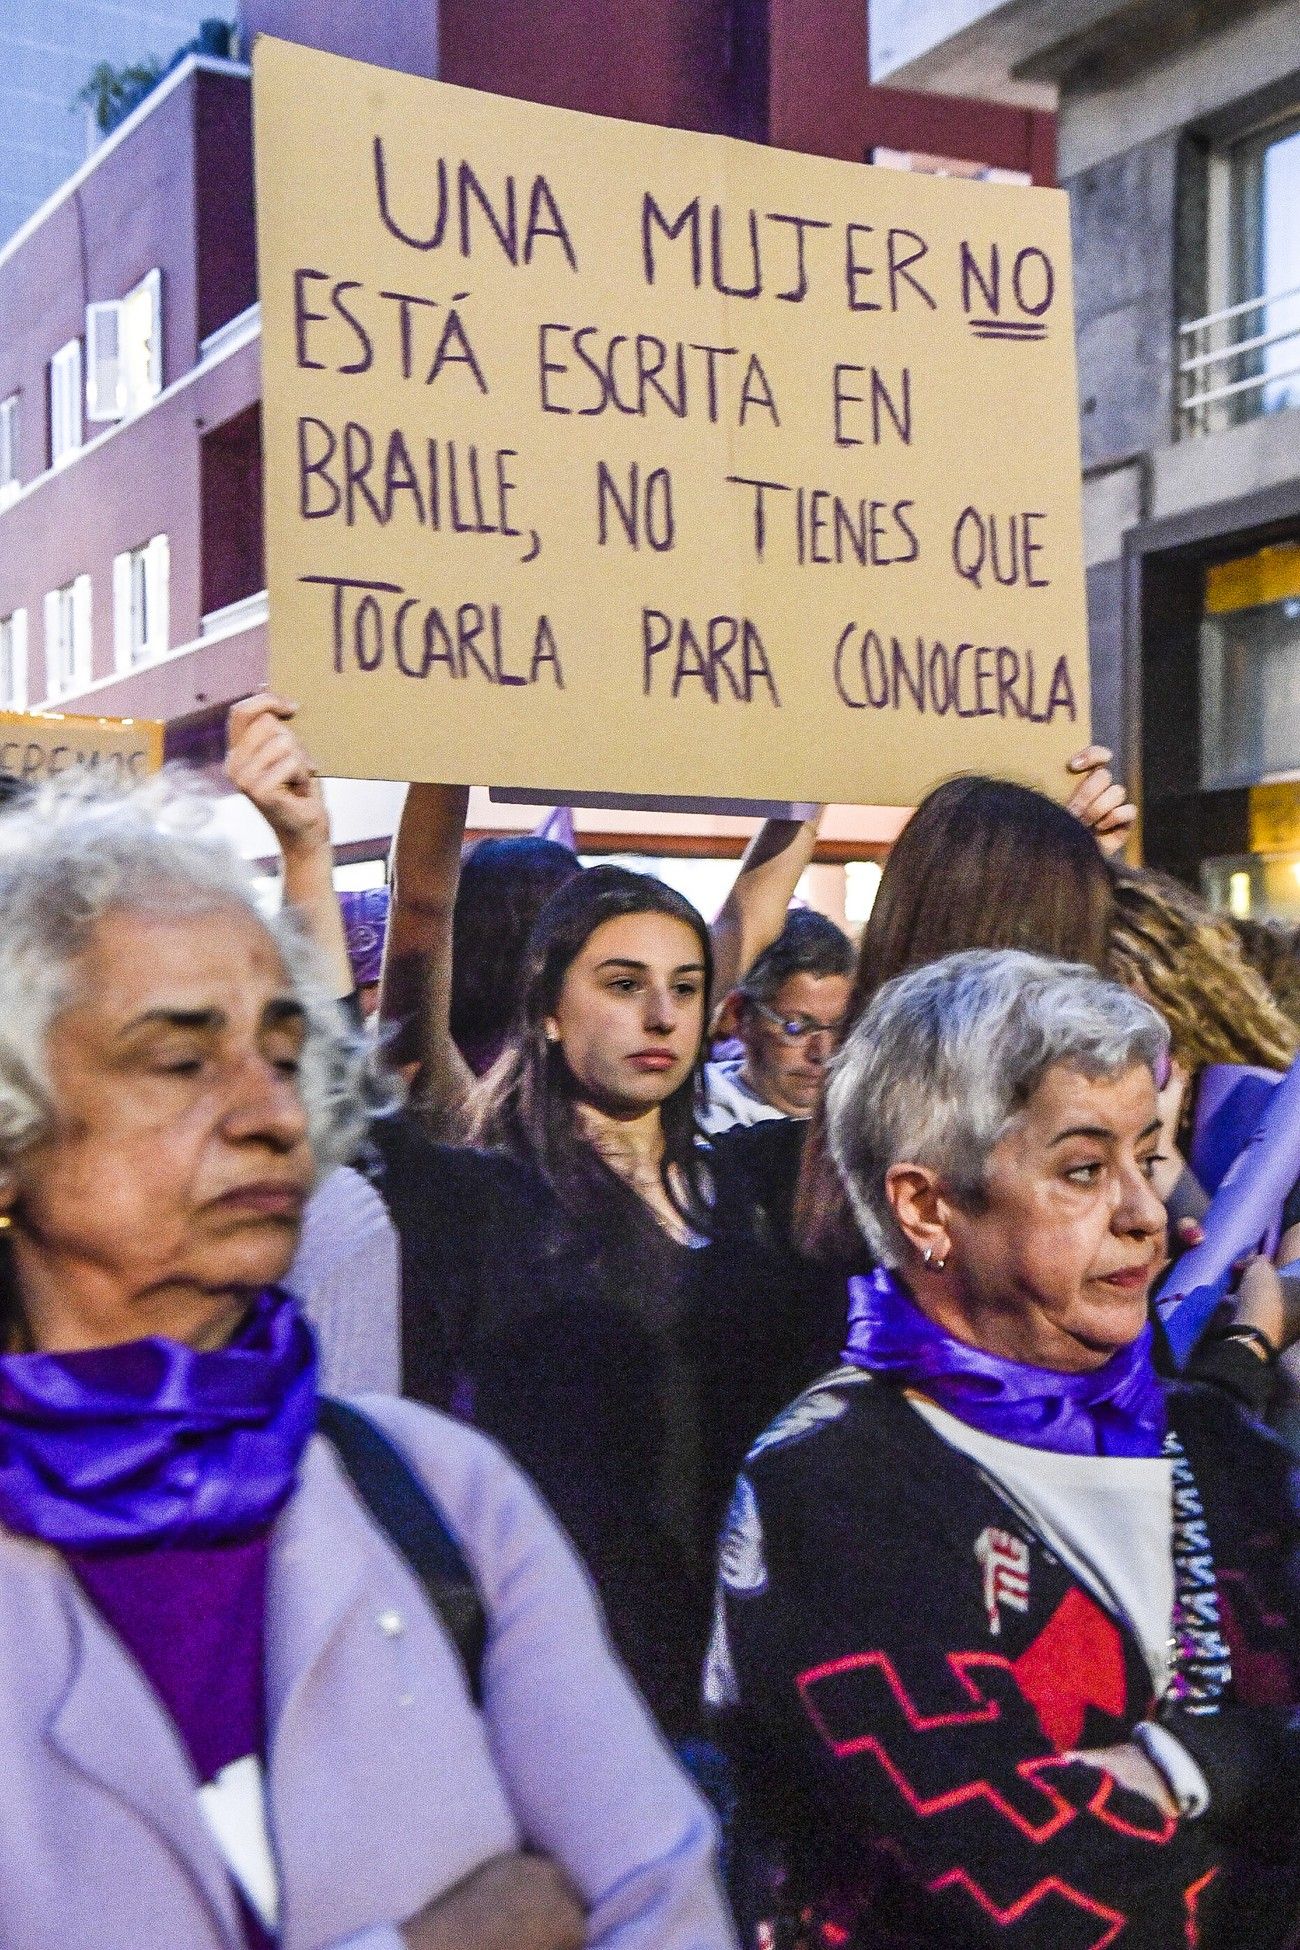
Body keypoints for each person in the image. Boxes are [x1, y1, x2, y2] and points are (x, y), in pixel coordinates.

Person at [0, 772, 736, 1950]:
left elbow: (662, 1896)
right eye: (180, 1059)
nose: (267, 1112)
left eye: (284, 1052)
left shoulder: (439, 1494)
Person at [710, 950, 1300, 1950]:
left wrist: (1187, 1764)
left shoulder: (1214, 1446)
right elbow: (1033, 1890)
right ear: (926, 1207)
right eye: (1082, 1170)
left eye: (1147, 1156)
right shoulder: (837, 1480)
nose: (1146, 1214)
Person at [379, 784, 824, 1138]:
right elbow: (422, 904)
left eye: (685, 989)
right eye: (623, 983)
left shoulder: (450, 1082)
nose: (664, 1017)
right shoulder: (473, 1106)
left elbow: (752, 917)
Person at [701, 910, 853, 1135]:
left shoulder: (861, 1123)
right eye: (796, 1028)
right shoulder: (697, 1126)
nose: (822, 1054)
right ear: (740, 1016)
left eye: (839, 1028)